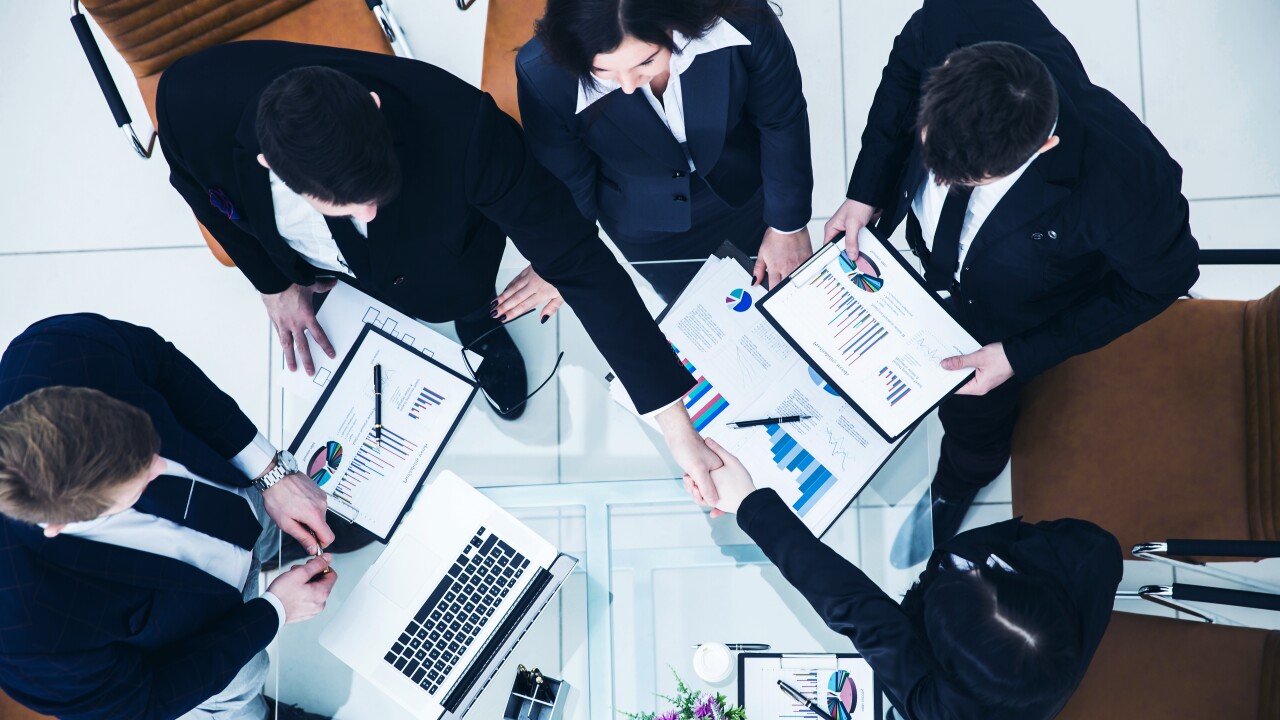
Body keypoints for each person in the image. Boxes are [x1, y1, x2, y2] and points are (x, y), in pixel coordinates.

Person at [156, 40, 722, 497]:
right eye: (347, 206)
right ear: (269, 164)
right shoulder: (189, 102)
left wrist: (677, 430)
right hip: (312, 263)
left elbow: (581, 265)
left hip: (443, 259)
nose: (369, 214)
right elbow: (199, 192)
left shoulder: (467, 131)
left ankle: (478, 320)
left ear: (374, 108)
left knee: (452, 293)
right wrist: (274, 283)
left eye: (373, 195)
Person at [823, 0, 1201, 565]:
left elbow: (1161, 282)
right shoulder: (961, 16)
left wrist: (1019, 355)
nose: (940, 179)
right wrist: (867, 189)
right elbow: (905, 67)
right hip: (938, 263)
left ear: (1043, 146)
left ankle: (959, 480)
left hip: (1013, 314)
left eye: (966, 178)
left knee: (976, 417)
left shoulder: (1126, 185)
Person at [0, 314, 338, 720]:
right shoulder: (27, 635)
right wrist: (274, 611)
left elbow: (159, 363)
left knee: (266, 520)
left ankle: (286, 535)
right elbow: (147, 701)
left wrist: (271, 472)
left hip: (247, 504)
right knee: (239, 694)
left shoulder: (54, 351)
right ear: (58, 524)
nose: (164, 466)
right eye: (138, 480)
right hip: (203, 637)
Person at [691, 438, 1122, 720]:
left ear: (940, 658)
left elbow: (856, 608)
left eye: (958, 575)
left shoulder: (938, 709)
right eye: (977, 573)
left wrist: (750, 504)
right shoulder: (1095, 555)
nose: (963, 566)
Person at [513, 0, 814, 302]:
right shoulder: (541, 71)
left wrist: (787, 227)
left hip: (746, 190)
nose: (628, 86)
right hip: (649, 225)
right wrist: (565, 258)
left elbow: (780, 119)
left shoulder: (739, 12)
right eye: (602, 70)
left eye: (645, 62)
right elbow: (568, 181)